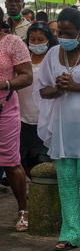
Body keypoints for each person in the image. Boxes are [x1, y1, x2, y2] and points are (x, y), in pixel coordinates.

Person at [35, 7, 80, 251]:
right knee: (66, 182)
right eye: (60, 33)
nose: (63, 37)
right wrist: (58, 88)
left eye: (69, 33)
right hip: (63, 129)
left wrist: (78, 86)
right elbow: (42, 90)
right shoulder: (52, 53)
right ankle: (72, 234)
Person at [0, 28, 33, 229]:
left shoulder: (12, 42)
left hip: (4, 108)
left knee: (10, 162)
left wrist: (3, 84)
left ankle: (23, 209)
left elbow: (26, 76)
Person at [19, 23, 57, 172]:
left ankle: (48, 191)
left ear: (48, 40)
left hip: (46, 117)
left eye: (40, 39)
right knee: (26, 160)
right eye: (32, 39)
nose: (36, 43)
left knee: (44, 162)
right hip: (24, 116)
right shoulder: (23, 58)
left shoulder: (54, 58)